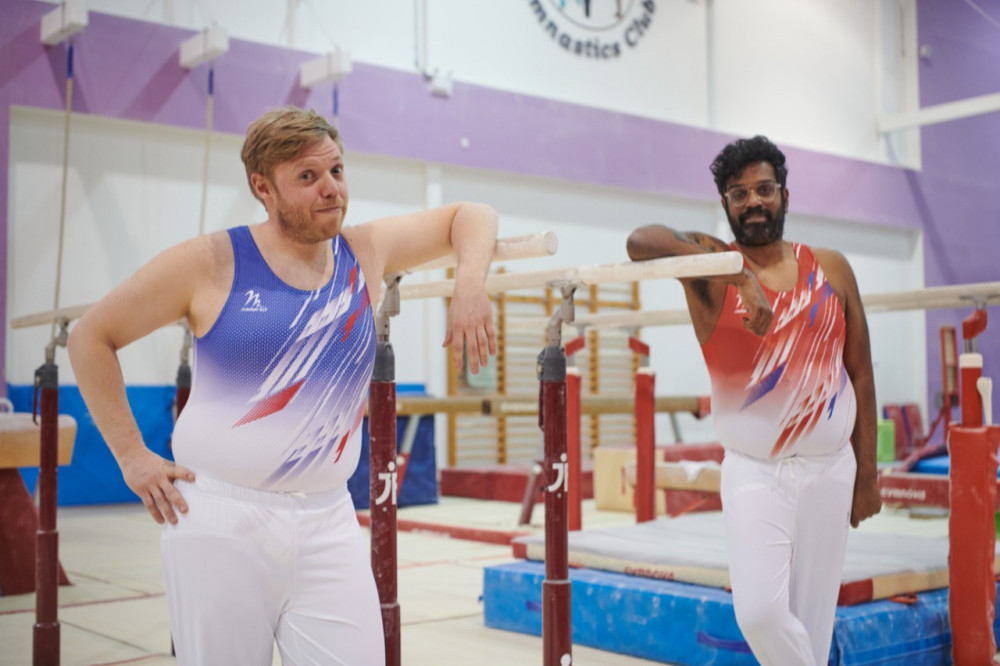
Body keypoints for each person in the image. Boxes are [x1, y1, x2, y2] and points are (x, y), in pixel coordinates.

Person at [68, 106, 499, 664]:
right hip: (221, 520)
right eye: (308, 177)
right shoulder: (210, 262)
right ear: (263, 188)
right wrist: (131, 455)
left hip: (329, 519)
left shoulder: (363, 251)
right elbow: (90, 337)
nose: (331, 190)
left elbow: (473, 213)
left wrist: (469, 286)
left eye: (337, 171)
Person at [626, 135, 881, 666]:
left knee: (812, 621)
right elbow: (640, 241)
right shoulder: (710, 267)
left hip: (830, 469)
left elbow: (859, 372)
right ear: (725, 206)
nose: (754, 202)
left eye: (764, 189)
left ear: (785, 195)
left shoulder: (830, 268)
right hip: (755, 472)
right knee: (761, 613)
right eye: (738, 194)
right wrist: (738, 274)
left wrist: (868, 475)